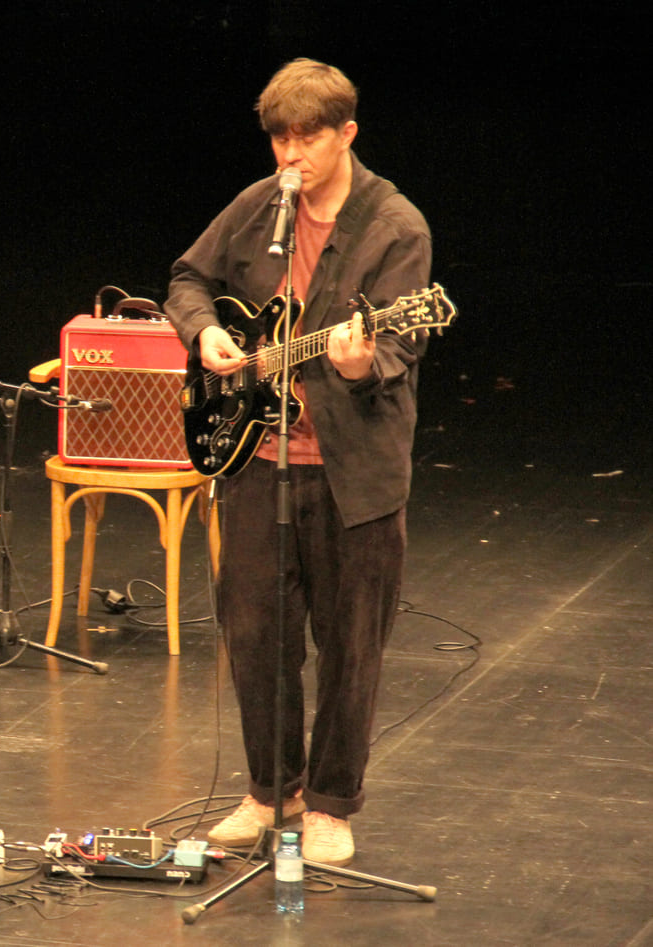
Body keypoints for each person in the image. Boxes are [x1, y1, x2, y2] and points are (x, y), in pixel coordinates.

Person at [164, 59, 431, 865]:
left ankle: (331, 804)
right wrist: (203, 331)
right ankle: (267, 788)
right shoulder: (258, 207)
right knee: (254, 633)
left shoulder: (396, 227)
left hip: (353, 476)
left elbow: (397, 344)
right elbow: (187, 278)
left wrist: (354, 362)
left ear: (346, 135)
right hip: (257, 458)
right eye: (279, 139)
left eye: (307, 140)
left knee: (351, 644)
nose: (291, 156)